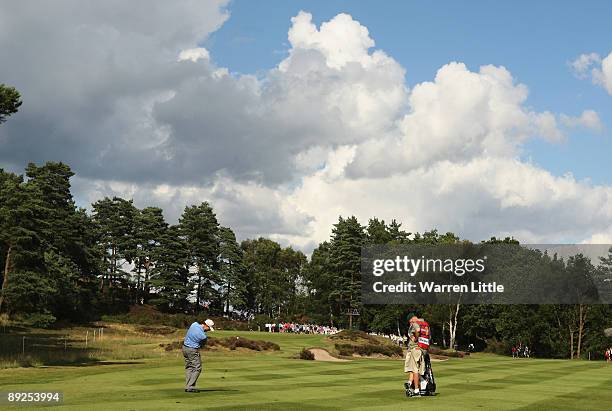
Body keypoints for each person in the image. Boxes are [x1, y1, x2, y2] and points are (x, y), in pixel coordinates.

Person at [182, 318, 214, 392]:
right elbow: (202, 345)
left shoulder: (194, 324)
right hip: (192, 350)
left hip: (184, 348)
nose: (208, 330)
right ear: (206, 325)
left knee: (189, 367)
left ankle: (187, 386)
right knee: (197, 368)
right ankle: (190, 387)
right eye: (209, 329)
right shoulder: (203, 336)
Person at [404, 315, 430, 396]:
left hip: (416, 348)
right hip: (424, 349)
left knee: (414, 369)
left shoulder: (416, 323)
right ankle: (420, 383)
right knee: (419, 369)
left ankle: (417, 389)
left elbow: (417, 330)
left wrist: (416, 337)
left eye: (410, 321)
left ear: (412, 318)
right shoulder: (425, 324)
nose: (410, 323)